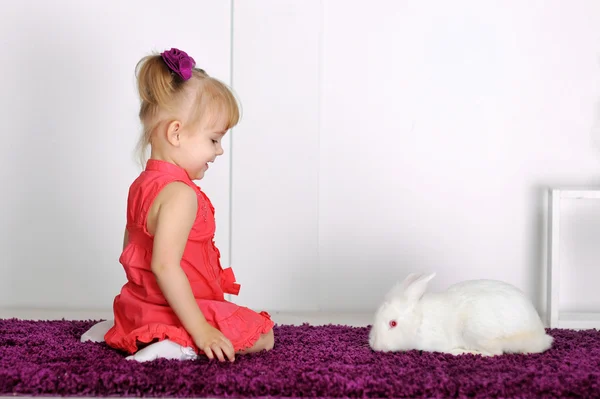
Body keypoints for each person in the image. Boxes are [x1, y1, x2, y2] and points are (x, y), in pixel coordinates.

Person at [80, 48, 275, 363]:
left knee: (223, 318)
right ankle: (179, 344)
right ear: (176, 133)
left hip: (139, 304)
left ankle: (127, 327)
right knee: (264, 334)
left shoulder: (143, 185)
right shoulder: (180, 194)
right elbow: (164, 266)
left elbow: (132, 248)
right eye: (214, 140)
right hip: (173, 307)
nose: (220, 151)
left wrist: (141, 300)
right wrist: (201, 329)